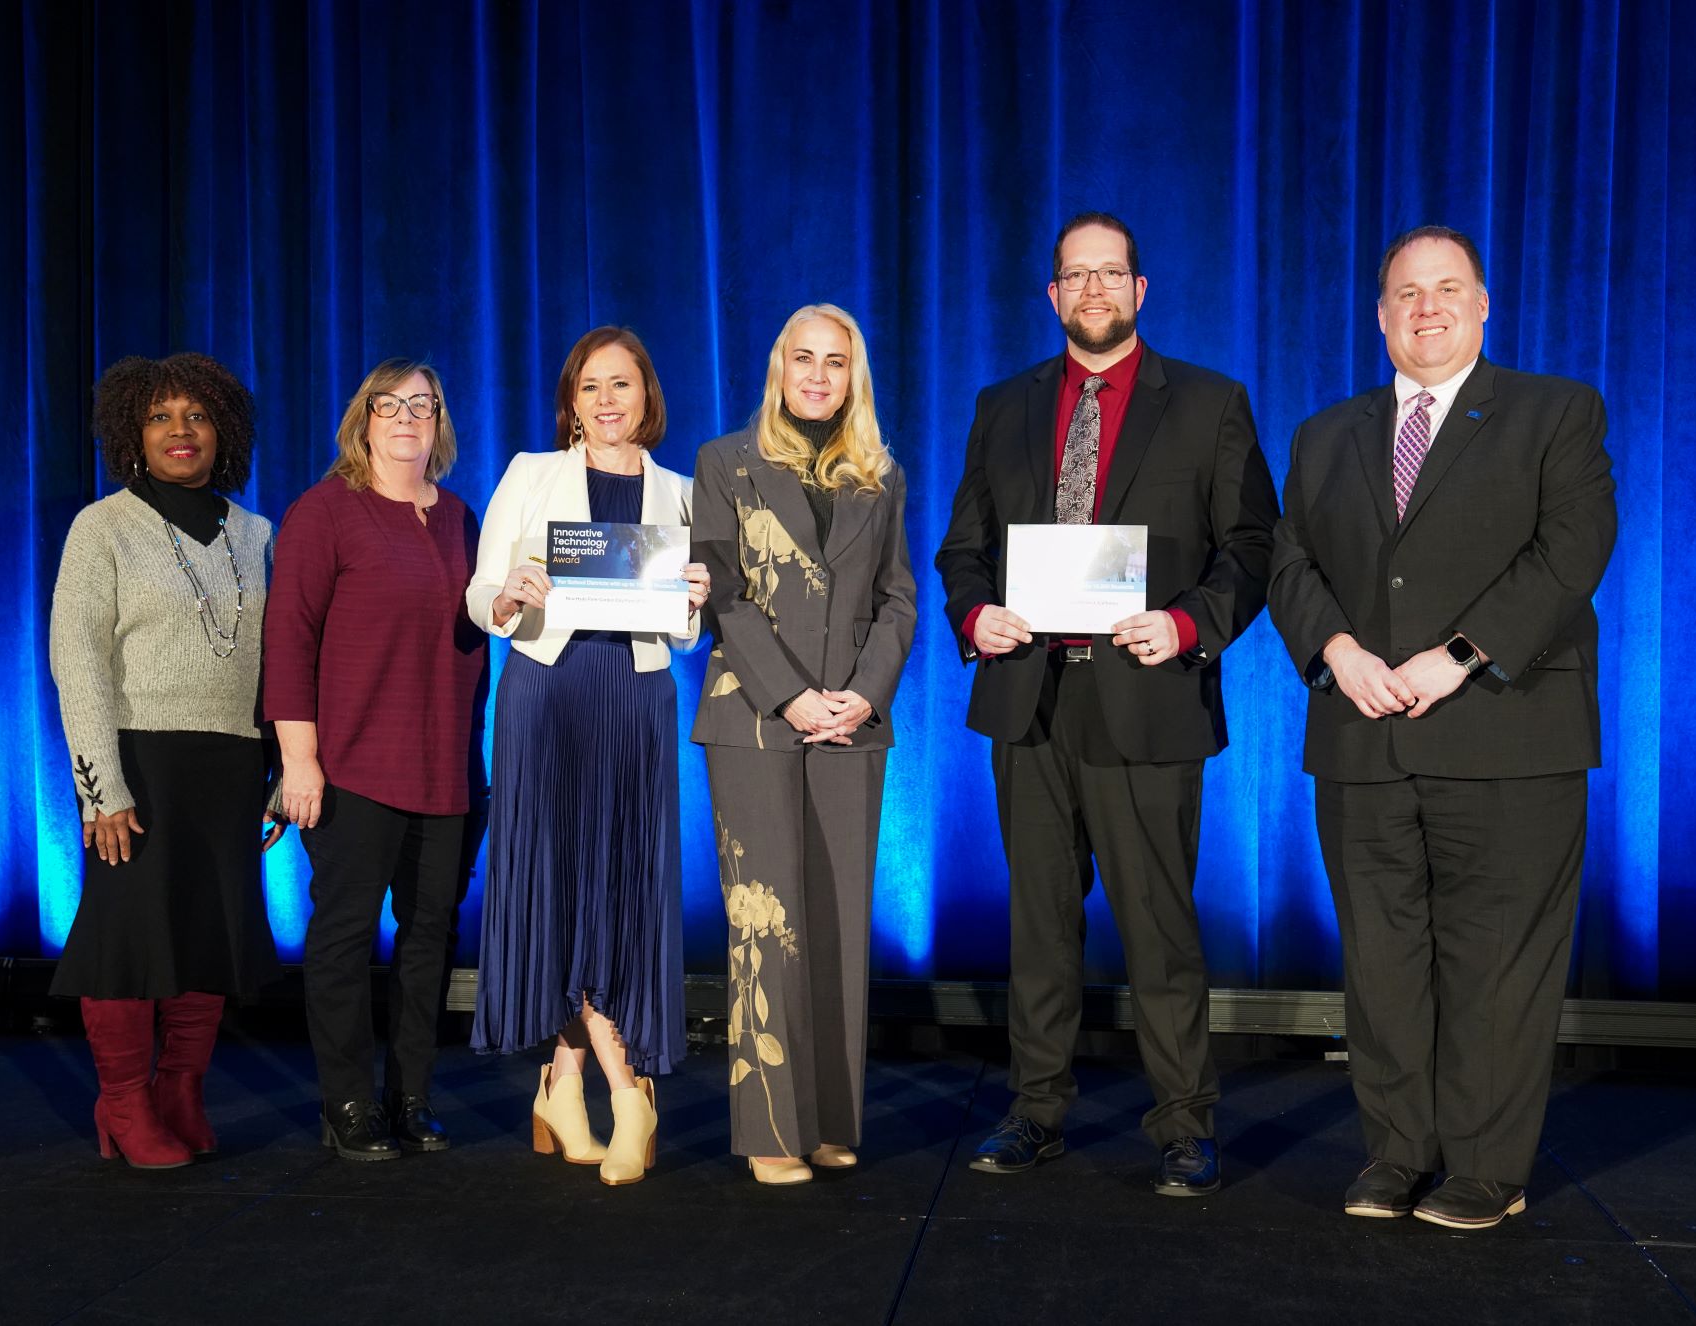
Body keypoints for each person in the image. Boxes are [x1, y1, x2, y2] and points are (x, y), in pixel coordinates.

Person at [1269, 225, 1616, 1230]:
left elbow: (1572, 550)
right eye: (1405, 293)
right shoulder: (1323, 434)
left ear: (1483, 303)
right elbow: (1289, 561)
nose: (1426, 307)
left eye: (1447, 288)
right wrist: (1335, 652)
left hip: (1507, 736)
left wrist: (1458, 656)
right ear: (1379, 315)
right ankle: (1396, 1151)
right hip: (1362, 740)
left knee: (1495, 963)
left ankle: (1484, 1166)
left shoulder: (1554, 412)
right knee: (1380, 963)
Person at [935, 212, 1279, 1195]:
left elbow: (1249, 546)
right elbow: (963, 549)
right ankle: (1033, 1110)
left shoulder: (1208, 403)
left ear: (1140, 289)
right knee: (1038, 925)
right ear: (1052, 296)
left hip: (1148, 697)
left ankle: (1182, 1124)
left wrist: (1187, 625)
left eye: (1110, 273)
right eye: (1074, 275)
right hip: (1028, 700)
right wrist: (974, 617)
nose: (1093, 290)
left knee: (1158, 928)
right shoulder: (1002, 406)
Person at [465, 327, 709, 1187]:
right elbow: (477, 591)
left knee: (618, 889)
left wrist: (696, 601)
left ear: (648, 397)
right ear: (571, 400)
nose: (607, 401)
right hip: (544, 693)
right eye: (591, 386)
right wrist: (503, 596)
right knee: (558, 885)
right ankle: (625, 1091)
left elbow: (686, 631)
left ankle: (562, 1085)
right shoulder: (532, 474)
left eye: (623, 385)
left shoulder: (679, 493)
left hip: (633, 697)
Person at [690, 303, 916, 1186]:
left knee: (836, 925)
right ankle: (772, 1133)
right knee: (766, 924)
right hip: (752, 718)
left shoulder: (880, 477)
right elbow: (725, 596)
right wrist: (792, 698)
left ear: (853, 377)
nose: (818, 375)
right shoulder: (724, 463)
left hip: (853, 725)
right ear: (777, 367)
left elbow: (897, 599)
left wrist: (860, 695)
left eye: (836, 362)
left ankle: (830, 1121)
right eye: (803, 359)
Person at [50, 352, 283, 1169]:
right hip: (139, 763)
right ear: (131, 434)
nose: (180, 432)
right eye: (159, 417)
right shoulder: (102, 526)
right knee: (128, 937)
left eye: (197, 416)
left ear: (225, 431)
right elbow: (75, 660)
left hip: (231, 763)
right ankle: (122, 1102)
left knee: (208, 935)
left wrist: (282, 769)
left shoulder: (256, 534)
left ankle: (181, 1089)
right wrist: (98, 790)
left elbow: (286, 661)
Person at [263, 359, 488, 1162]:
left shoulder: (463, 518)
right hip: (352, 767)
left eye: (421, 406)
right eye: (388, 405)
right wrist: (299, 760)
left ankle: (410, 1097)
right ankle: (349, 1102)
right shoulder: (325, 512)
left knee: (430, 940)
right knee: (343, 938)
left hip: (448, 770)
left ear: (439, 423)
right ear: (363, 420)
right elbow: (287, 640)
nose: (405, 419)